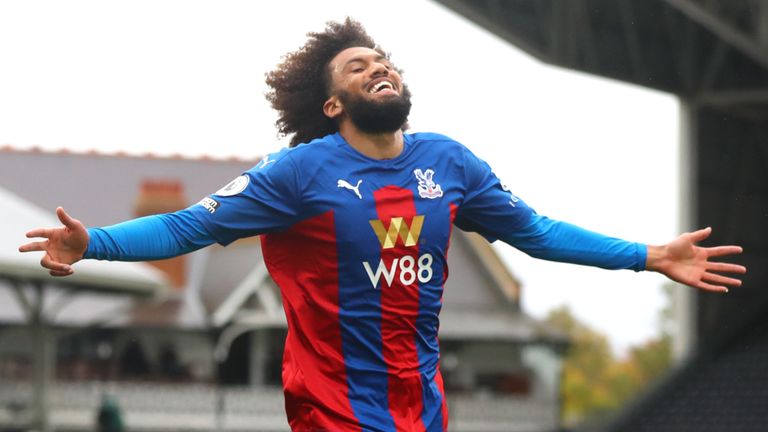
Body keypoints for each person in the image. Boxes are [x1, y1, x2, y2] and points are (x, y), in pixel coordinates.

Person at [19, 18, 745, 432]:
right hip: (332, 411)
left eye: (385, 61)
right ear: (333, 105)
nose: (380, 68)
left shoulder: (449, 164)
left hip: (422, 412)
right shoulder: (297, 173)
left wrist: (647, 254)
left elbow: (538, 232)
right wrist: (96, 244)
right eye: (360, 65)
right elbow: (189, 228)